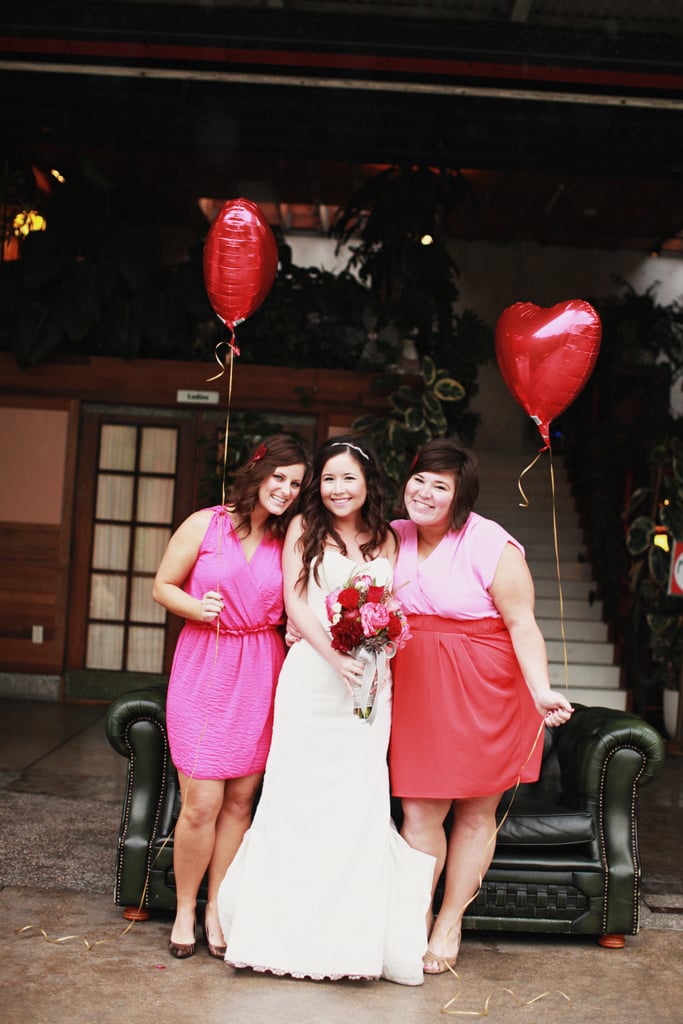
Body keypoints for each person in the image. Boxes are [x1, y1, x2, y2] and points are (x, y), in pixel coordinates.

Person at [216, 435, 434, 985]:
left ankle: (349, 939)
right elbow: (294, 600)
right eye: (329, 479)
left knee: (356, 801)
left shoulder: (384, 537)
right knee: (296, 797)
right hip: (313, 680)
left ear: (367, 485)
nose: (338, 489)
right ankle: (275, 931)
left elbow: (391, 606)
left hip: (370, 686)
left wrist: (379, 643)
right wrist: (332, 656)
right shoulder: (302, 529)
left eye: (349, 479)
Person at [388, 438, 574, 975]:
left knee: (474, 811)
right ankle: (414, 917)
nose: (424, 492)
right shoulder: (392, 535)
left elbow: (523, 624)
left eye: (439, 486)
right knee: (420, 810)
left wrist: (541, 690)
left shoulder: (492, 544)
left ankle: (449, 924)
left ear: (460, 496)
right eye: (419, 478)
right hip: (418, 687)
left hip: (485, 687)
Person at [152, 434, 310, 960]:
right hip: (206, 662)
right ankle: (184, 909)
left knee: (241, 801)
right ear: (257, 472)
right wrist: (197, 609)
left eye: (296, 484)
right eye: (279, 478)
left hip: (262, 667)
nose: (285, 490)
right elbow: (163, 586)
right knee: (202, 801)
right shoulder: (207, 523)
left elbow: (300, 602)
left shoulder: (290, 539)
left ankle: (219, 907)